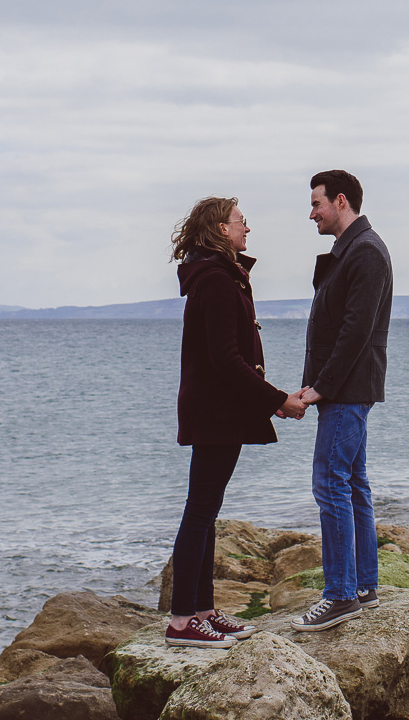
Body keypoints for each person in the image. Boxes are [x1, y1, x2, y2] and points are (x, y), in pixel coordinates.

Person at [163, 196, 305, 648]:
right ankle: (183, 621)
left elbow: (230, 359)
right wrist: (277, 398)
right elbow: (227, 360)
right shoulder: (219, 280)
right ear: (222, 230)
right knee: (200, 511)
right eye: (242, 222)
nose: (248, 229)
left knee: (205, 511)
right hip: (216, 411)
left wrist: (273, 402)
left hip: (218, 409)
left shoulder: (217, 276)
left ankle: (202, 611)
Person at [281, 169, 393, 632]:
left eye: (316, 204)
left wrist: (321, 387)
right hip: (346, 388)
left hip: (347, 389)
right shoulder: (349, 251)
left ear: (340, 201)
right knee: (353, 484)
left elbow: (355, 331)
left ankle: (341, 594)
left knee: (330, 484)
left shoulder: (365, 251)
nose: (312, 214)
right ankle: (364, 585)